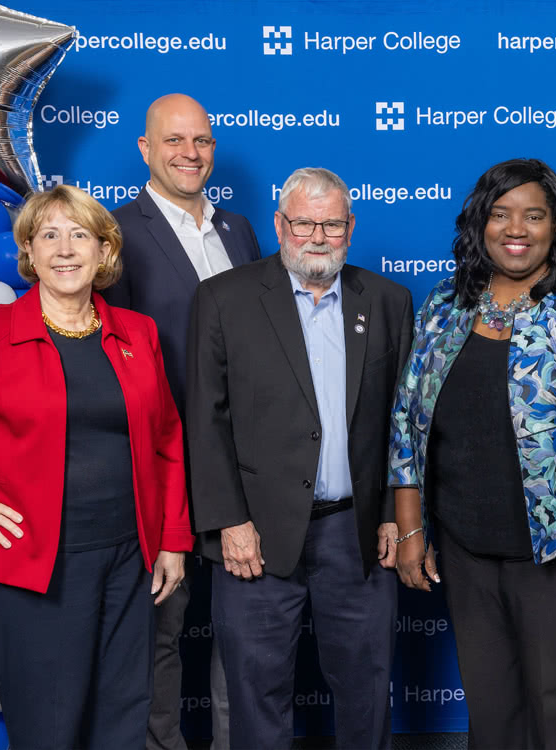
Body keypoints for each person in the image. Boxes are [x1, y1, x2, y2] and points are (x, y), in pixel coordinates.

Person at [0, 184, 192, 749]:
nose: (66, 248)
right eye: (49, 235)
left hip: (131, 558)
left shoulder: (137, 333)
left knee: (124, 719)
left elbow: (167, 440)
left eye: (80, 235)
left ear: (104, 251)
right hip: (33, 567)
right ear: (29, 251)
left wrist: (172, 538)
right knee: (51, 727)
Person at [389, 158, 556, 749]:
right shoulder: (444, 303)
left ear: (555, 227)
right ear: (480, 223)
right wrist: (411, 529)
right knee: (492, 712)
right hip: (466, 550)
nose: (516, 228)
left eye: (534, 215)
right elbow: (407, 419)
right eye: (501, 213)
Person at [186, 167, 413, 750]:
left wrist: (394, 513)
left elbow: (403, 421)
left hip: (356, 532)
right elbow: (205, 423)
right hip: (253, 535)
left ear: (350, 228)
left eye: (331, 224)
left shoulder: (388, 301)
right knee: (256, 693)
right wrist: (228, 521)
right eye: (304, 223)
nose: (317, 236)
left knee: (366, 689)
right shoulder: (224, 299)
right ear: (281, 225)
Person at [102, 92, 261, 750]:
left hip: (242, 464)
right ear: (146, 149)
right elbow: (113, 363)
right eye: (175, 141)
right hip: (160, 465)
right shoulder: (116, 232)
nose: (190, 153)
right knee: (159, 633)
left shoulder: (240, 231)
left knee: (246, 632)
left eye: (201, 141)